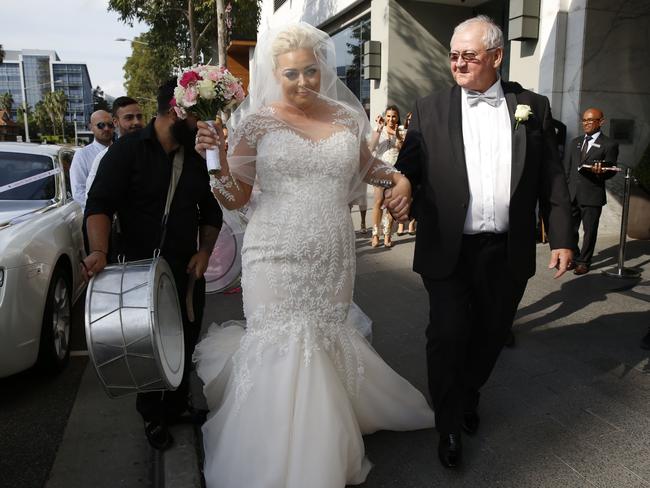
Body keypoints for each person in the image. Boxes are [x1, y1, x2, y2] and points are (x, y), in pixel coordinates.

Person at [192, 23, 434, 488]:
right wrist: (217, 160)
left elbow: (369, 168)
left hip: (331, 250)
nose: (302, 81)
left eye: (310, 70)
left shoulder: (346, 118)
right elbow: (234, 199)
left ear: (322, 68)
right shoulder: (257, 123)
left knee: (324, 334)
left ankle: (327, 427)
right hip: (272, 250)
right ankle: (277, 449)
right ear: (274, 75)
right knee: (282, 340)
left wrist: (400, 180)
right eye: (290, 74)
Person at [392, 15, 573, 469]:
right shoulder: (429, 107)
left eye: (468, 55)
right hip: (448, 247)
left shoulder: (532, 105)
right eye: (453, 55)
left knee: (491, 335)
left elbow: (551, 177)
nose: (458, 63)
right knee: (448, 333)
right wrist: (402, 184)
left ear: (497, 56)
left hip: (506, 249)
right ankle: (449, 422)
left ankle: (468, 393)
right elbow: (408, 164)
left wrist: (563, 237)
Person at [82, 80, 223, 451]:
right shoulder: (127, 151)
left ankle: (176, 406)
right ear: (177, 111)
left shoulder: (197, 156)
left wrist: (205, 251)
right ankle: (151, 415)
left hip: (185, 272)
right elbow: (98, 205)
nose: (200, 125)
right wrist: (98, 252)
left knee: (184, 340)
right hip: (138, 272)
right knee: (146, 344)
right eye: (197, 116)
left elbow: (211, 211)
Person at [565, 107, 619, 275]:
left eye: (590, 120)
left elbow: (610, 169)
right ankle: (574, 257)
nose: (586, 123)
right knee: (569, 229)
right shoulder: (575, 142)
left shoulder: (609, 144)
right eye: (584, 120)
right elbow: (567, 169)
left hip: (592, 194)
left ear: (601, 122)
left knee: (590, 231)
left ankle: (583, 262)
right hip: (572, 194)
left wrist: (601, 172)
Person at [85, 96, 144, 197]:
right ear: (115, 122)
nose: (137, 122)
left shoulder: (153, 151)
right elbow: (92, 201)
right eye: (129, 118)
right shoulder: (104, 157)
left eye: (139, 117)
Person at [368, 105, 404, 247]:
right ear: (385, 117)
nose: (391, 119)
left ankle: (387, 234)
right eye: (388, 116)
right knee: (378, 203)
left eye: (394, 116)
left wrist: (398, 137)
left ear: (397, 118)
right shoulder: (379, 130)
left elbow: (402, 150)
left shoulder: (400, 131)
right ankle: (375, 235)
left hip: (395, 173)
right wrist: (378, 128)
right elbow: (371, 147)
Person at [69, 110, 113, 209]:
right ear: (91, 127)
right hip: (96, 217)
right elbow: (78, 192)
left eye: (110, 125)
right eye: (101, 125)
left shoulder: (120, 151)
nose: (106, 128)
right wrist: (102, 210)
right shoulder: (82, 155)